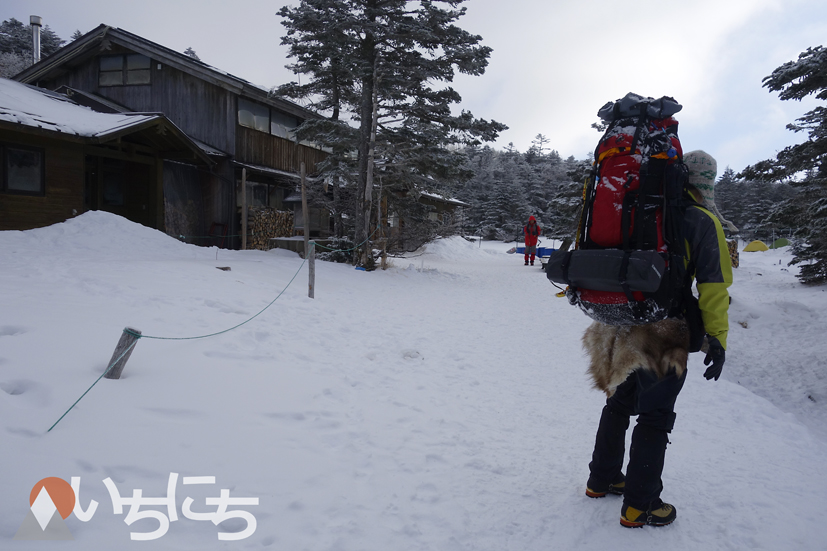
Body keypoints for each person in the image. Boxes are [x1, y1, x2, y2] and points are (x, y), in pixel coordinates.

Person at [583, 150, 733, 528]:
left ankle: (601, 479)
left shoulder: (637, 208)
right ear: (706, 183)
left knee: (619, 403)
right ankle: (640, 505)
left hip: (618, 319)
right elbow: (714, 286)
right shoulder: (702, 220)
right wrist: (717, 337)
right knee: (655, 415)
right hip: (665, 329)